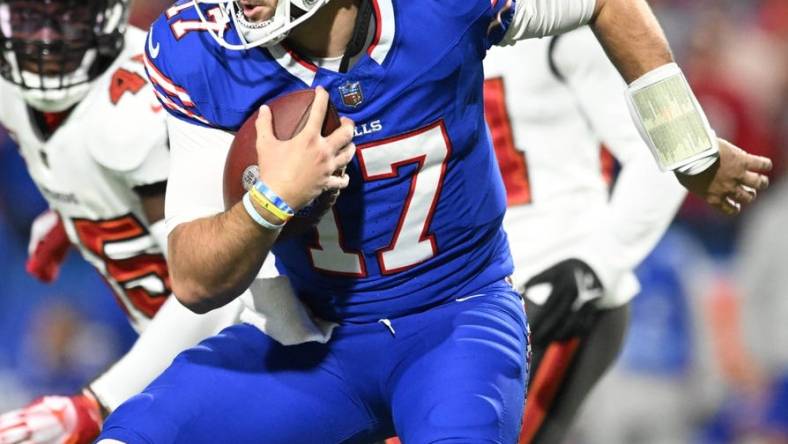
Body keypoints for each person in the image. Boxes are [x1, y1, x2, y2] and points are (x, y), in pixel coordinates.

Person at [97, 0, 772, 442]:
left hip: (456, 321)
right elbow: (193, 275)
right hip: (309, 334)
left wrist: (688, 148)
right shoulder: (204, 50)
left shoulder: (439, 8)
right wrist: (268, 203)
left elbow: (604, 3)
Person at [0, 1, 243, 443]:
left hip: (239, 348)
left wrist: (96, 402)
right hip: (171, 353)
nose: (48, 40)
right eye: (29, 19)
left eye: (69, 18)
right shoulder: (12, 89)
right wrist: (76, 211)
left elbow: (220, 292)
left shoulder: (136, 110)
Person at [482, 26, 686, 443]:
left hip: (553, 289)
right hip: (461, 297)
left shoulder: (566, 20)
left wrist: (594, 266)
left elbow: (676, 144)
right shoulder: (412, 26)